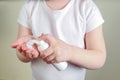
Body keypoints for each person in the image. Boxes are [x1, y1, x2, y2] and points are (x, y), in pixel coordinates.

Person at [12, 0, 106, 80]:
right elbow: (20, 54)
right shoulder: (29, 7)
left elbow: (99, 58)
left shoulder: (87, 8)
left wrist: (70, 52)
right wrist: (28, 49)